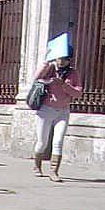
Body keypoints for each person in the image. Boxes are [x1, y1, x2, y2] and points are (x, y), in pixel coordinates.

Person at [31, 49, 83, 182]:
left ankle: (54, 171)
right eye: (59, 58)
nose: (61, 61)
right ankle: (37, 166)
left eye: (64, 59)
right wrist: (45, 64)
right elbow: (36, 79)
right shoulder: (50, 69)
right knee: (42, 142)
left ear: (69, 60)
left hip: (63, 111)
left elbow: (78, 93)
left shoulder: (73, 73)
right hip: (45, 110)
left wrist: (64, 86)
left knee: (58, 141)